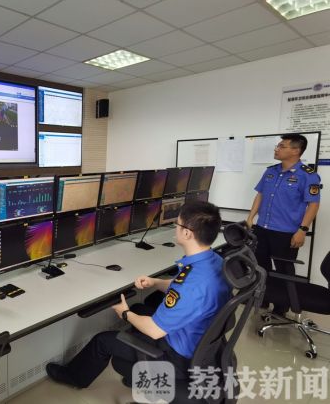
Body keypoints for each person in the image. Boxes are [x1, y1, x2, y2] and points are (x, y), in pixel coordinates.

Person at [46, 201, 231, 388]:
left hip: (178, 359)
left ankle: (75, 378)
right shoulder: (214, 261)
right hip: (198, 343)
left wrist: (125, 313)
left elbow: (155, 330)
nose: (175, 227)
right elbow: (183, 288)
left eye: (177, 223)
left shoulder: (191, 285)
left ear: (187, 233)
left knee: (102, 340)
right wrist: (155, 282)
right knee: (138, 308)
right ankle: (138, 359)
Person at [246, 134, 321, 313]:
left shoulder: (308, 175)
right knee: (261, 266)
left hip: (286, 232)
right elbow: (260, 194)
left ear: (296, 150)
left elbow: (313, 204)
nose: (276, 149)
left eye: (282, 146)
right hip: (262, 228)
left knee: (283, 270)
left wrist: (303, 230)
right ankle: (263, 298)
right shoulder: (270, 171)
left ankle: (282, 306)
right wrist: (250, 217)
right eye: (278, 146)